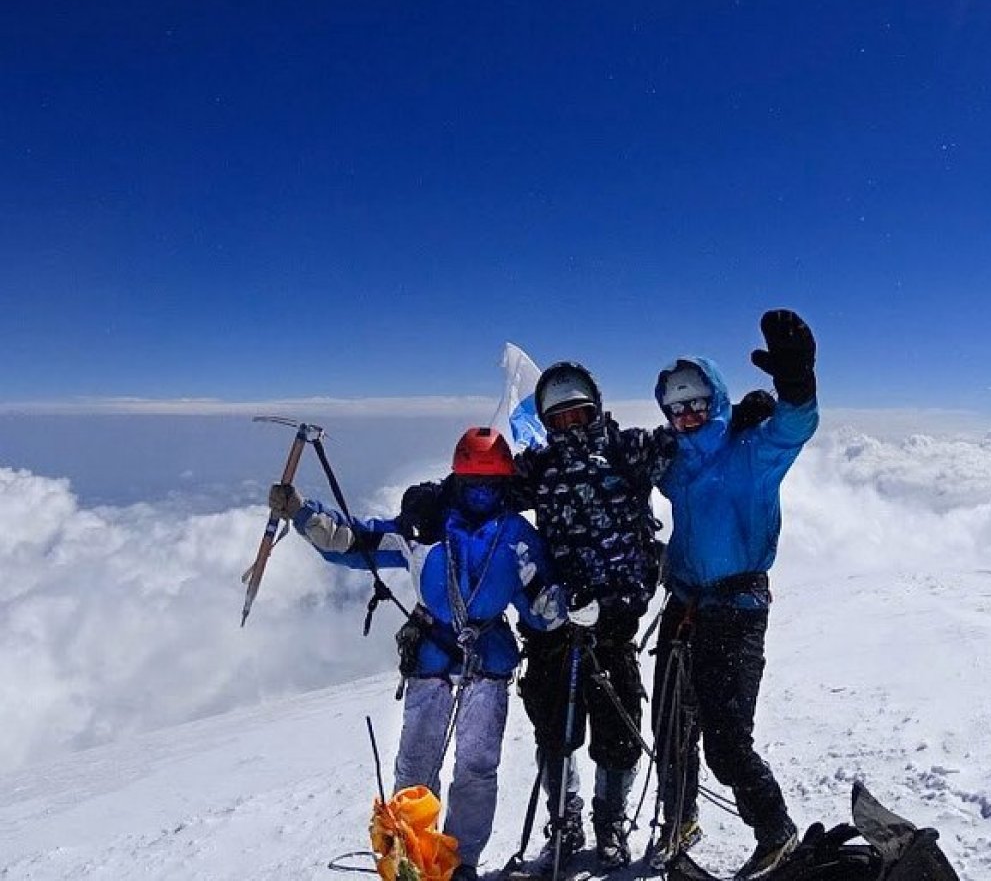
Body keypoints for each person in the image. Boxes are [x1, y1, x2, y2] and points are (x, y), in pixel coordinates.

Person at [398, 363, 676, 876]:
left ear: (596, 408)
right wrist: (434, 499)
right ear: (547, 422)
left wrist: (741, 421)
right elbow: (484, 484)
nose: (570, 425)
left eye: (579, 414)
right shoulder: (541, 466)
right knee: (554, 727)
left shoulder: (629, 449)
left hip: (613, 616)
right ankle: (565, 821)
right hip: (551, 618)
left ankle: (609, 822)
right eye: (559, 417)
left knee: (616, 728)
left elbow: (690, 446)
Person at [269, 427, 565, 881]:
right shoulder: (431, 527)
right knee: (432, 764)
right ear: (458, 481)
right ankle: (417, 860)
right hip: (454, 657)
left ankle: (452, 863)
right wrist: (304, 513)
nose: (483, 493)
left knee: (466, 766)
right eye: (474, 484)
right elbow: (356, 542)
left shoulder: (507, 535)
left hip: (471, 659)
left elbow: (541, 608)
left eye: (491, 484)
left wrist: (563, 607)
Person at [648, 309, 820, 881]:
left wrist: (795, 383)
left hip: (737, 613)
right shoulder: (672, 464)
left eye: (696, 403)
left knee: (725, 743)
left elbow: (796, 426)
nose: (687, 416)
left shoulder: (753, 451)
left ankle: (776, 832)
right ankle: (680, 821)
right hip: (684, 608)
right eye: (677, 408)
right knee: (671, 728)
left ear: (716, 400)